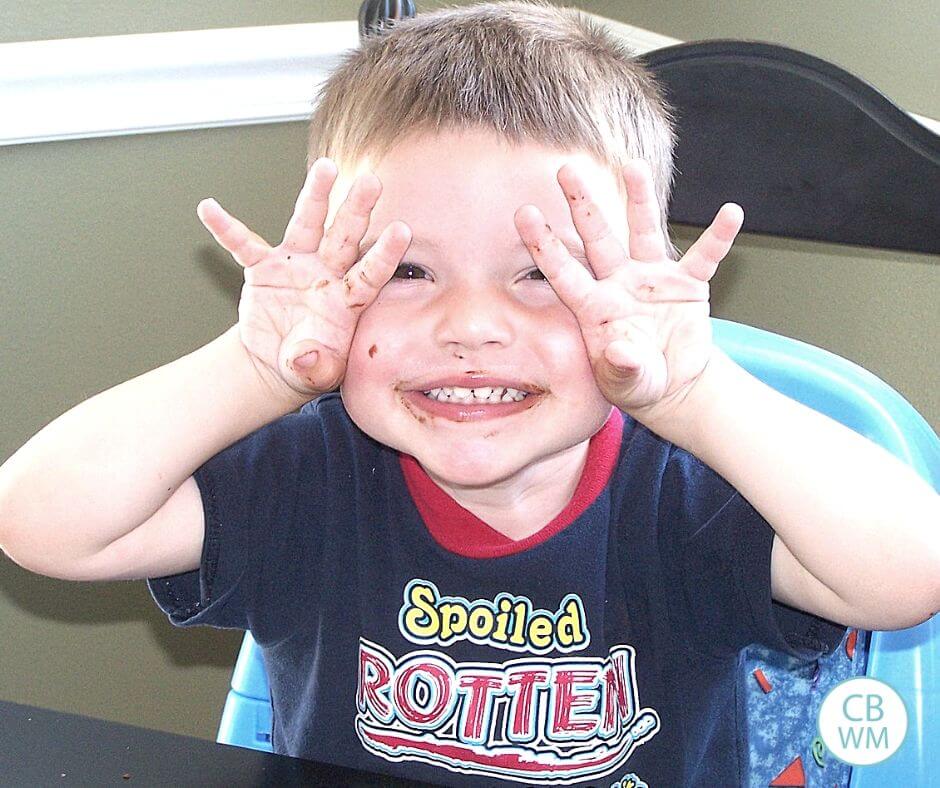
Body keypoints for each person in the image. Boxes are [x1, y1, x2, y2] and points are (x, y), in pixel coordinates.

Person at [1, 1, 937, 785]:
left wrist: (699, 396)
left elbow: (908, 577)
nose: (471, 325)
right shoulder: (308, 477)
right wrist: (249, 370)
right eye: (407, 271)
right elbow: (43, 522)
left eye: (541, 274)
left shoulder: (689, 492)